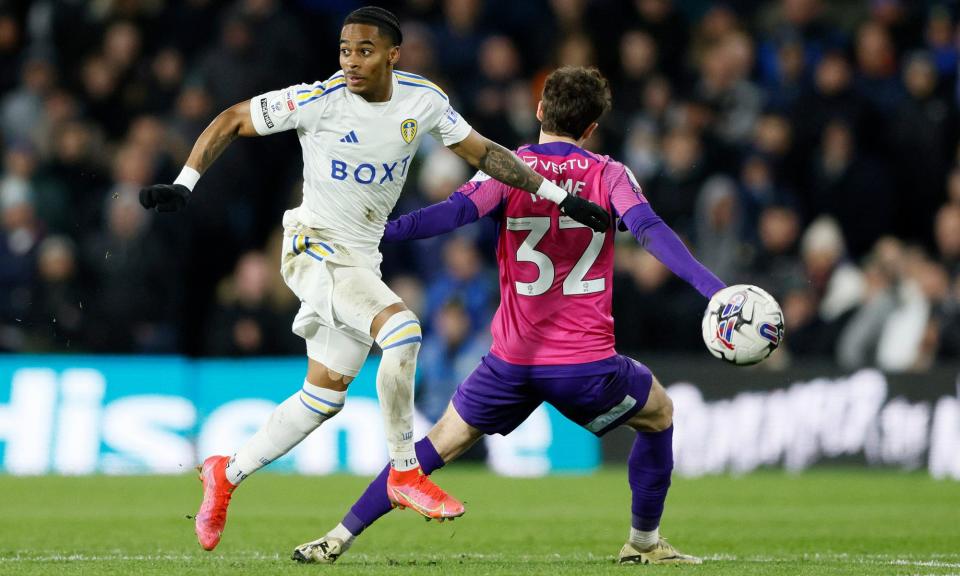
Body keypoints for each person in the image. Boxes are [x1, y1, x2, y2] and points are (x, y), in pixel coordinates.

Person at [138, 6, 610, 552]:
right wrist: (185, 183)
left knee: (325, 395)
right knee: (404, 332)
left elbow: (485, 154)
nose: (351, 61)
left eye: (363, 50)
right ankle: (405, 472)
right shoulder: (317, 99)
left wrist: (558, 196)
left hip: (361, 259)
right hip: (314, 247)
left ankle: (225, 472)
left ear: (392, 55)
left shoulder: (422, 101)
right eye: (344, 50)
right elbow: (233, 119)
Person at [291, 66, 724, 566]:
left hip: (510, 363)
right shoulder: (609, 174)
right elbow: (649, 231)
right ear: (590, 129)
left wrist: (379, 232)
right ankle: (644, 544)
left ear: (539, 111)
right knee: (660, 415)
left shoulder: (509, 169)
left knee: (433, 448)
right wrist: (712, 291)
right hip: (583, 364)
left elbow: (451, 213)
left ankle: (337, 537)